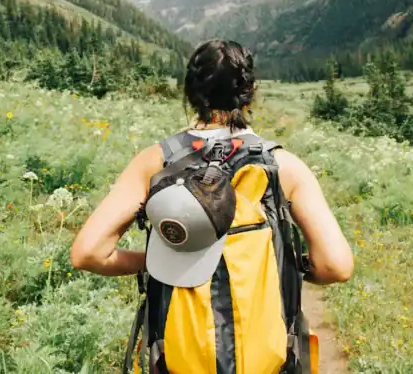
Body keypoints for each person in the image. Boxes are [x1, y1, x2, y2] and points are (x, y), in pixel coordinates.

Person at [70, 39, 353, 371]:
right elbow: (337, 265)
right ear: (250, 92)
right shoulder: (283, 166)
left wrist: (157, 262)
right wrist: (288, 266)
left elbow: (88, 253)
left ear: (189, 91)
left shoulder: (156, 161)